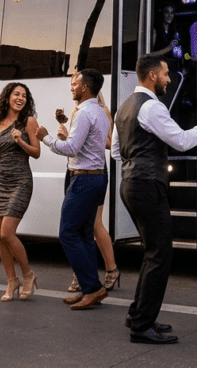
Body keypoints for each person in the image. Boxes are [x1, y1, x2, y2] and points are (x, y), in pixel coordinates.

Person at [112, 54, 197, 344]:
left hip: (130, 183)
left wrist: (137, 157)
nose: (170, 79)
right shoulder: (152, 108)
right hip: (148, 185)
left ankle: (138, 315)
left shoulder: (124, 107)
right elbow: (183, 141)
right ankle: (142, 325)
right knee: (161, 255)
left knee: (152, 252)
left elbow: (115, 151)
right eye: (166, 74)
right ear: (151, 77)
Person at [36, 69, 111, 310]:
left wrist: (45, 137)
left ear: (85, 87)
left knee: (68, 232)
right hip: (97, 178)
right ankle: (93, 288)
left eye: (75, 84)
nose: (72, 87)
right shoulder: (99, 112)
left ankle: (91, 288)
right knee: (84, 234)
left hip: (84, 181)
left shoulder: (83, 112)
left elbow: (71, 148)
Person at [0, 81, 41, 302]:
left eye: (24, 95)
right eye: (16, 94)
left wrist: (20, 141)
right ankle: (11, 281)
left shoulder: (29, 121)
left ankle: (28, 274)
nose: (20, 98)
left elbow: (36, 152)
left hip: (21, 181)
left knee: (6, 233)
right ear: (7, 97)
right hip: (1, 181)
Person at [66, 89, 120, 294]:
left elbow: (110, 143)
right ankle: (83, 275)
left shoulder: (101, 111)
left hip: (93, 169)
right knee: (79, 226)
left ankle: (111, 270)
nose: (73, 88)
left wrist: (83, 138)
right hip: (73, 169)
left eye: (76, 84)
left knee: (94, 224)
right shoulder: (76, 111)